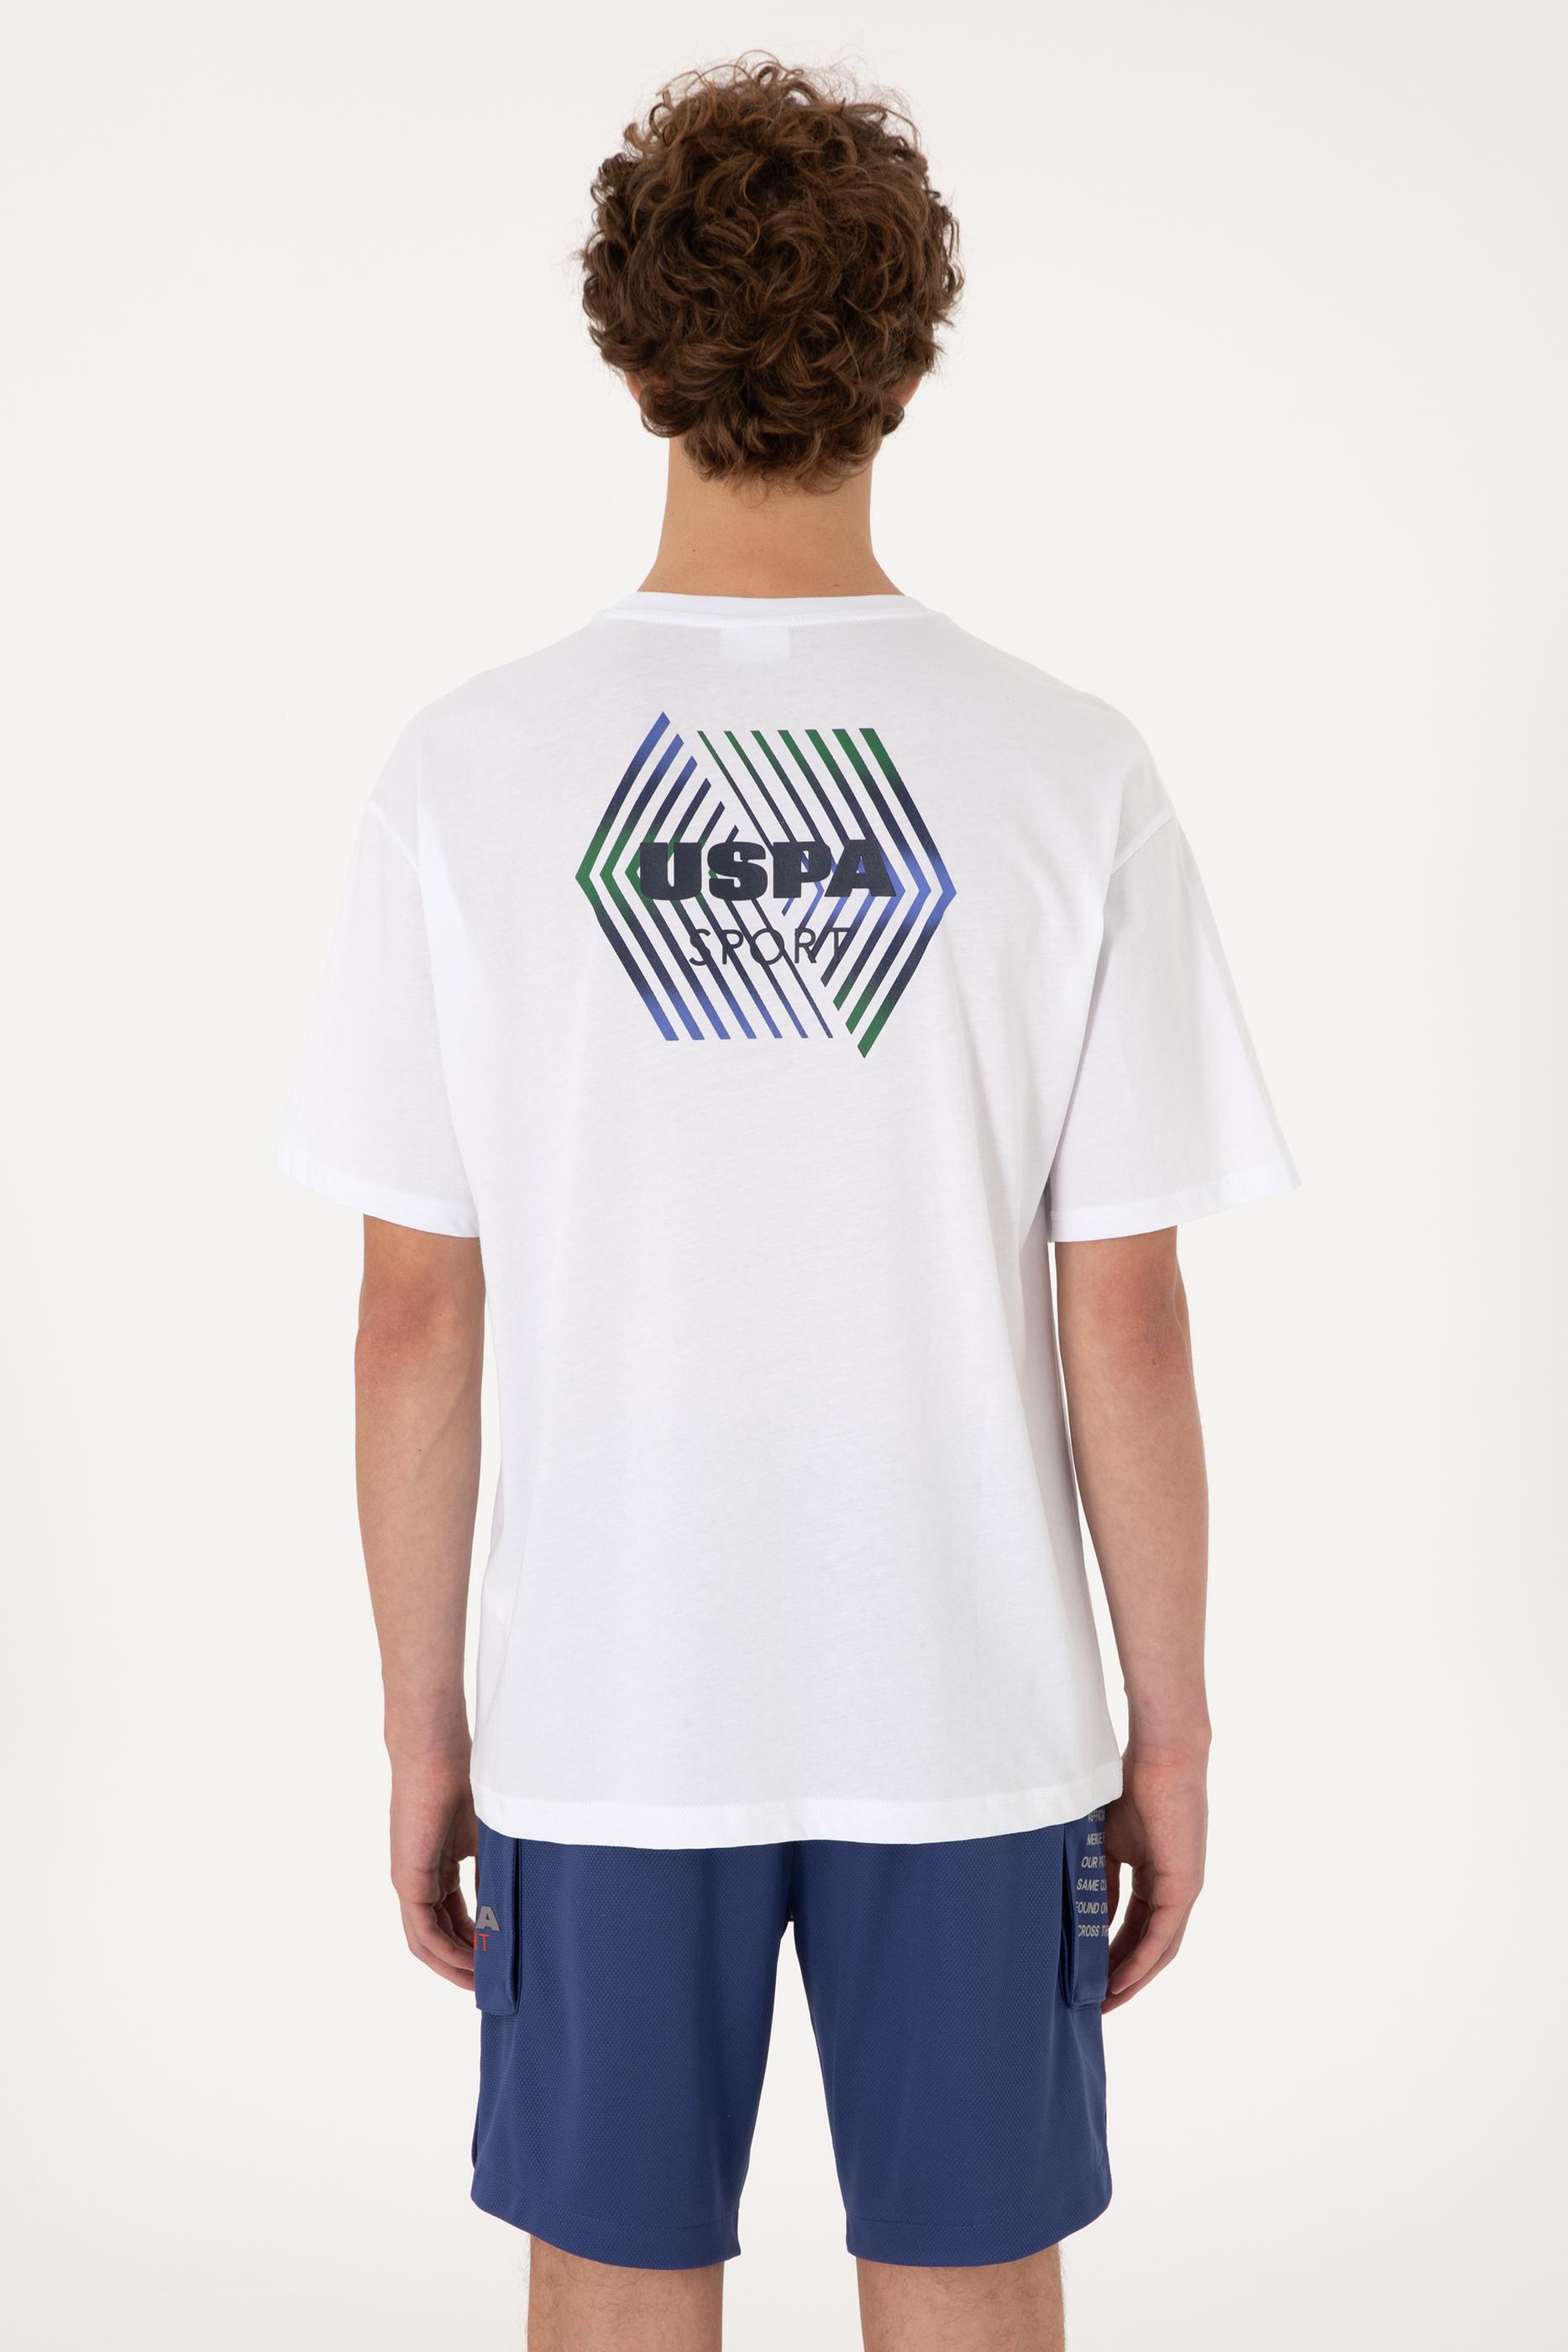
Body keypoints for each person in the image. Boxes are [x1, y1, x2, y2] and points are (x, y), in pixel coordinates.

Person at [279, 57, 1295, 2352]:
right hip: (971, 1706)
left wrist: (426, 1730)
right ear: (909, 359)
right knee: (969, 2276)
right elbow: (1123, 1315)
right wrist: (1170, 1728)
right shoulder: (1066, 771)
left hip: (608, 1705)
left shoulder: (469, 775)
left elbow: (411, 1317)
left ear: (628, 352)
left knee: (615, 2283)